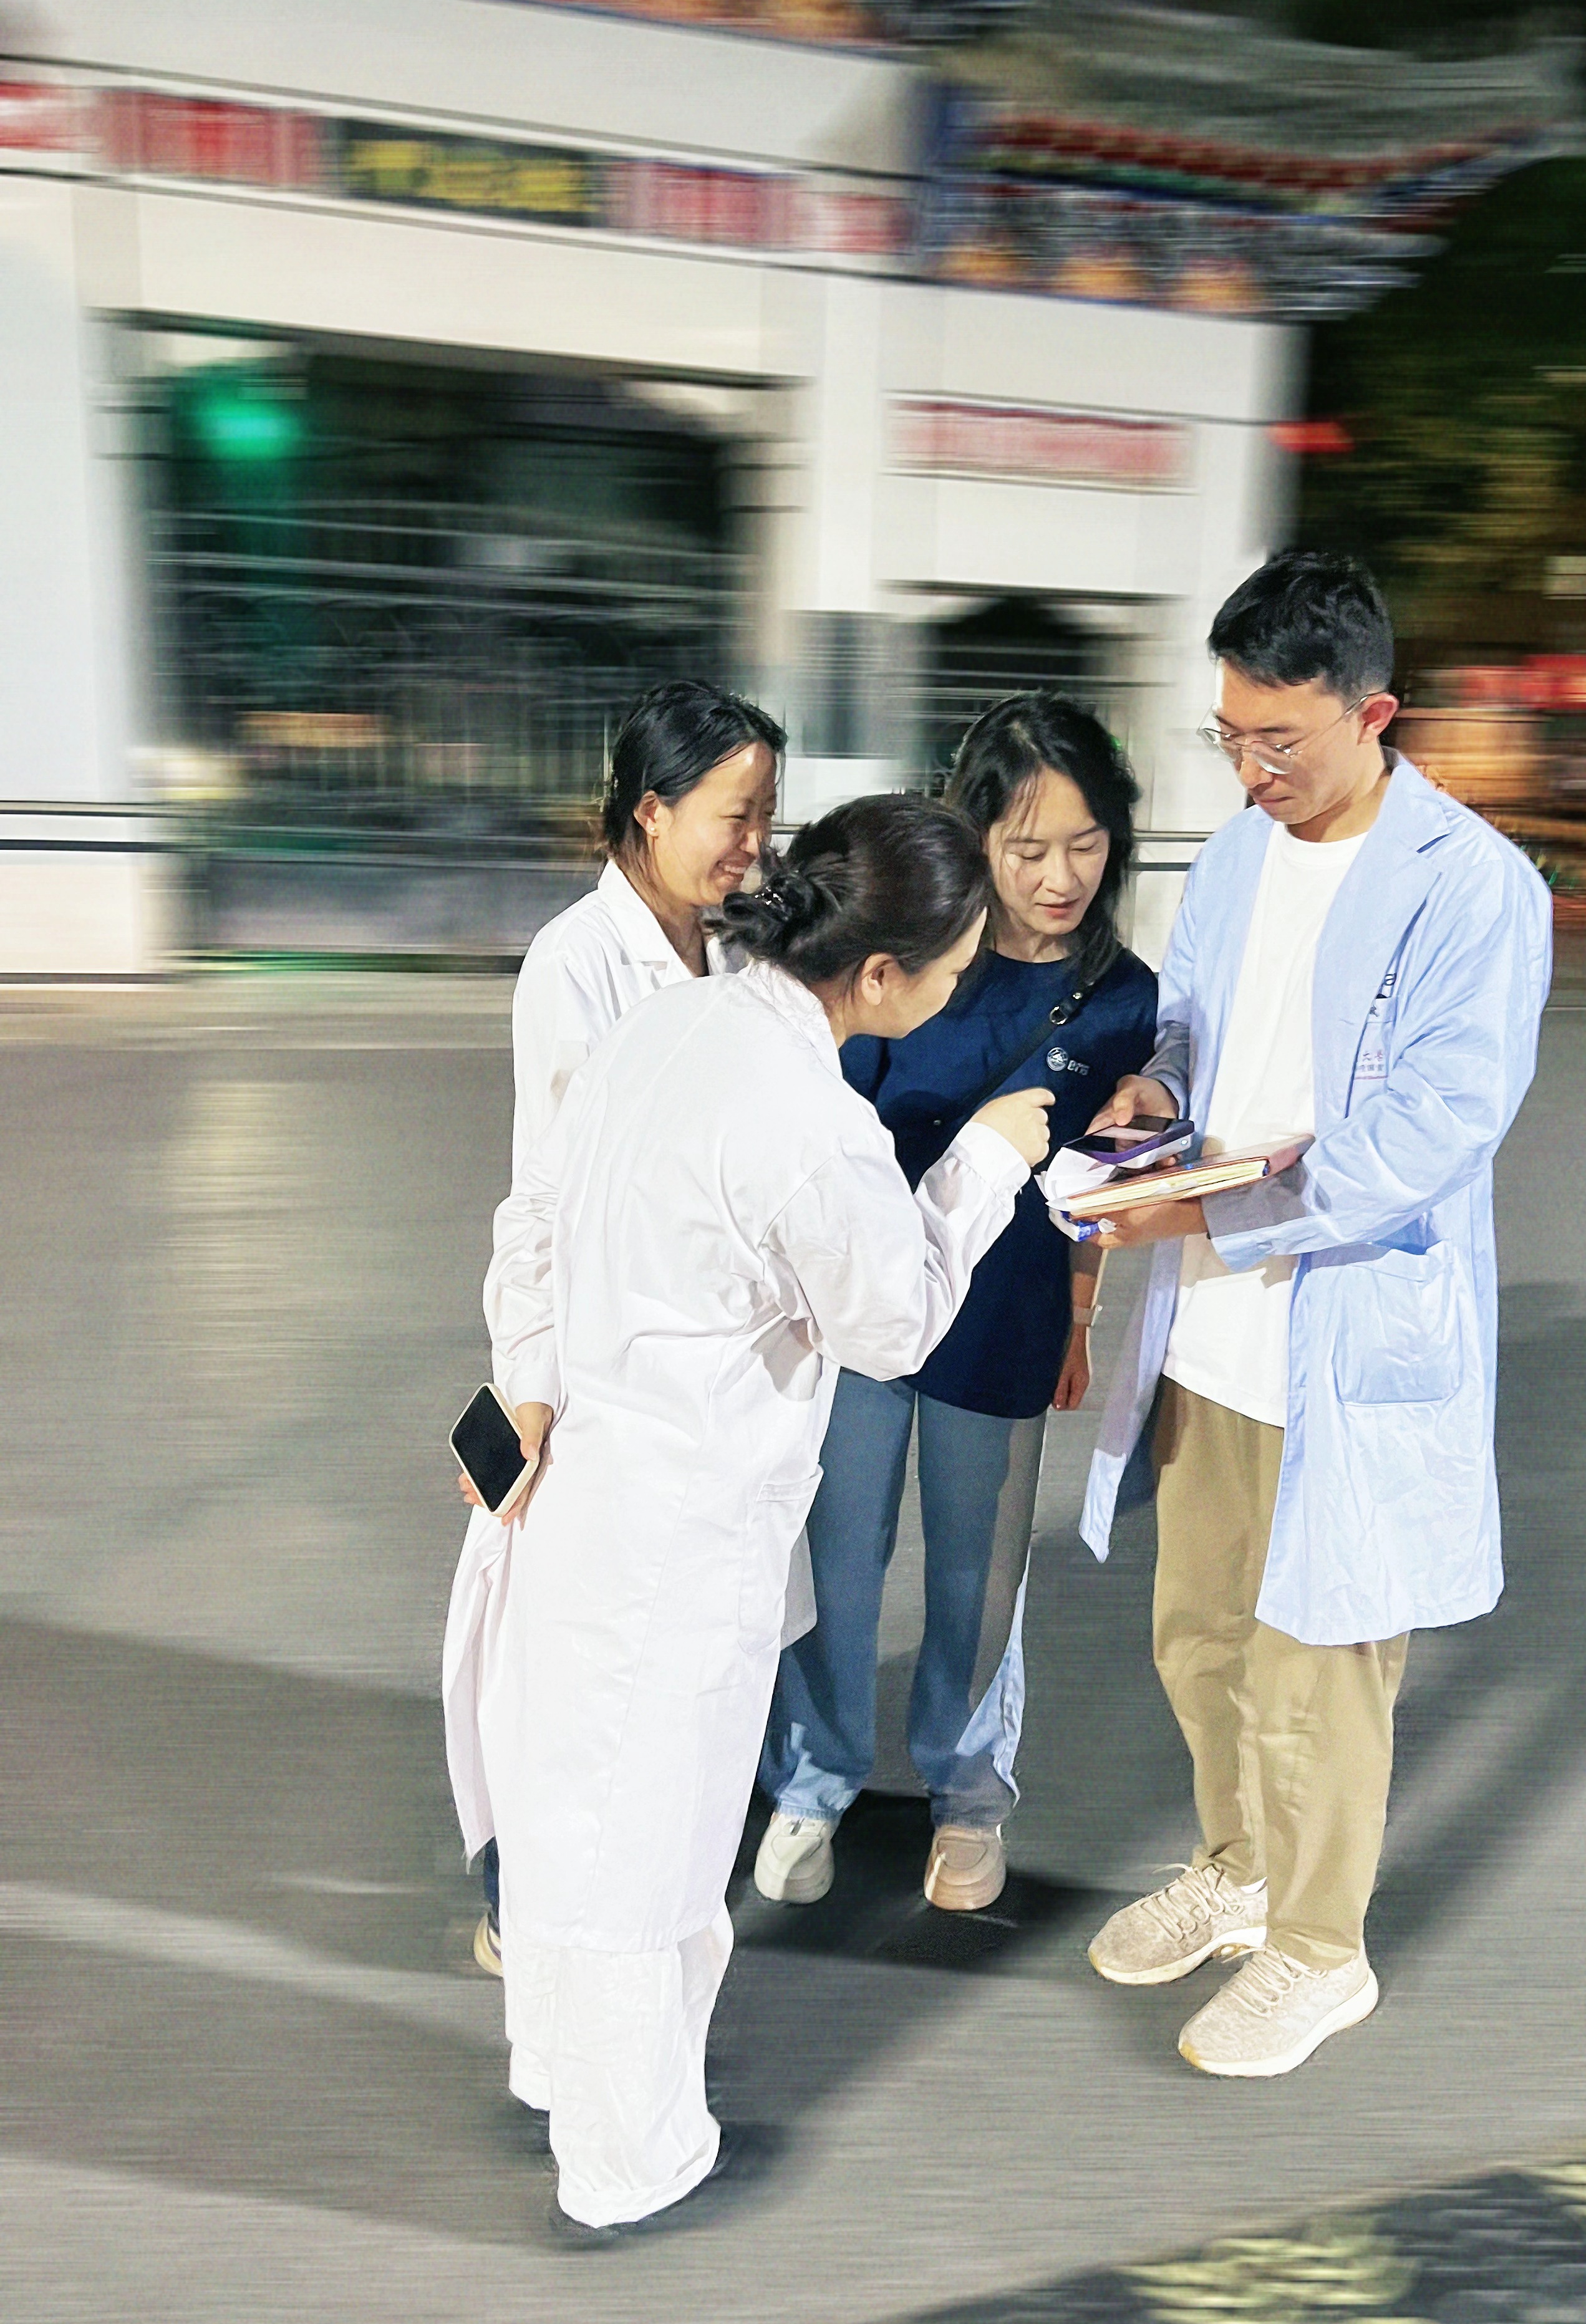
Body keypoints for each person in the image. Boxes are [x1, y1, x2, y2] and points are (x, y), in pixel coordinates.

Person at [475, 795, 1055, 2236]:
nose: (959, 990)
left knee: (574, 1805)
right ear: (880, 975)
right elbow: (895, 1321)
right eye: (954, 968)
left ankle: (565, 2074)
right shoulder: (809, 1120)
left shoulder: (665, 1027)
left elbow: (533, 1213)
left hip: (584, 1488)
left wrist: (523, 1382)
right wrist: (987, 1161)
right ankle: (628, 2155)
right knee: (653, 1838)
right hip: (683, 1527)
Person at [1077, 551, 1552, 2078]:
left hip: (1342, 1331)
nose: (1251, 770)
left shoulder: (1470, 884)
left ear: (1374, 715)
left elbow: (1437, 1126)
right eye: (1230, 736)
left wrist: (1211, 1213)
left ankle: (1319, 1948)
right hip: (1213, 1330)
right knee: (1199, 1635)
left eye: (1279, 740)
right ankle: (1239, 1868)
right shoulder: (1233, 856)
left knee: (1320, 1661)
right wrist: (1153, 1097)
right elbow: (1187, 1028)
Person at [756, 693, 1158, 1914]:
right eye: (1027, 847)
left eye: (1084, 844)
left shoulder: (1123, 996)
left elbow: (1098, 1181)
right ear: (974, 837)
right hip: (865, 1315)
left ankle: (969, 1794)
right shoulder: (909, 957)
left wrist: (1080, 1317)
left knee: (979, 1582)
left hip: (1007, 1320)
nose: (1058, 877)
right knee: (838, 1554)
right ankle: (814, 1778)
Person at [442, 679, 783, 1977]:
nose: (754, 841)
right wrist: (525, 1385)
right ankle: (530, 1898)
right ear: (650, 809)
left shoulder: (736, 951)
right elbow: (539, 1199)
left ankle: (644, 1896)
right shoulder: (574, 965)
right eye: (734, 814)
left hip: (709, 1367)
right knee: (564, 1656)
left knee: (671, 1655)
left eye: (766, 814)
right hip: (602, 1367)